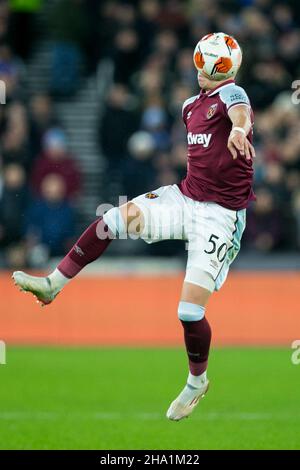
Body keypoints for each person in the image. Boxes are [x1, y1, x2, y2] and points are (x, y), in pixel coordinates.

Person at [12, 33, 256, 422]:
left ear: (221, 66)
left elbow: (239, 109)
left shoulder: (233, 95)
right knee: (112, 220)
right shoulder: (189, 105)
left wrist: (240, 130)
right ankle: (53, 284)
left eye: (206, 60)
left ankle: (197, 382)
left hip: (220, 214)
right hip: (185, 197)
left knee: (189, 312)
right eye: (200, 58)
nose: (200, 67)